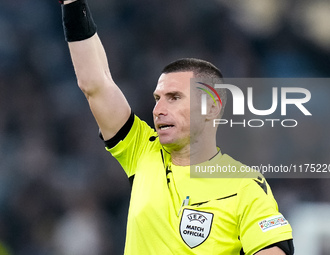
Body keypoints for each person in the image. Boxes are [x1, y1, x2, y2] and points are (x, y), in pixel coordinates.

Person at [59, 0, 294, 254]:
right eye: (157, 99)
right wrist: (73, 5)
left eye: (174, 98)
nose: (158, 110)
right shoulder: (142, 151)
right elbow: (96, 84)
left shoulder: (244, 185)